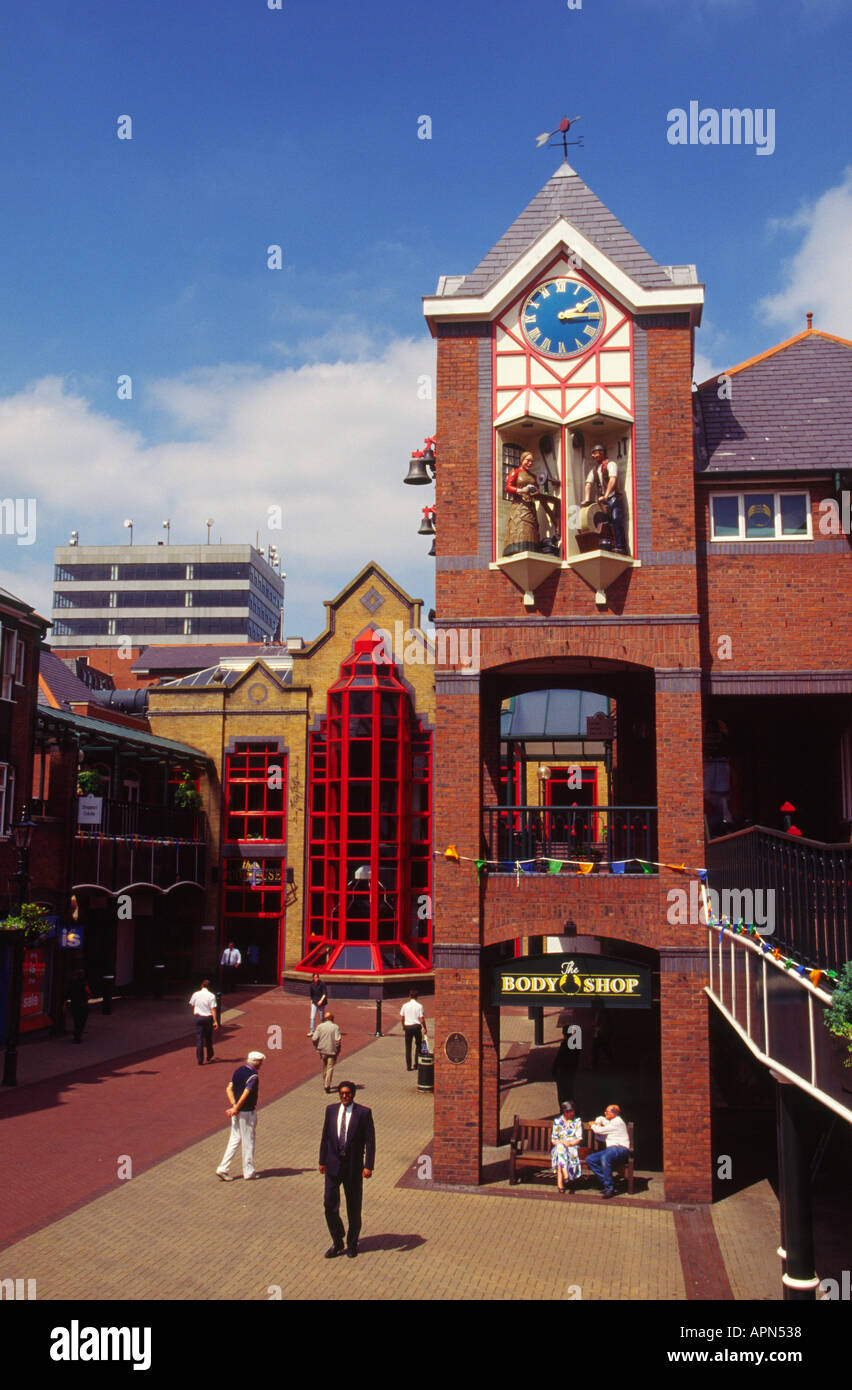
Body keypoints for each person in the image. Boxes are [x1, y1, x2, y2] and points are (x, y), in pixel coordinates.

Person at [319, 1081, 375, 1259]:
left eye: (348, 1094)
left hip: (353, 1168)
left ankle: (352, 1244)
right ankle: (337, 1240)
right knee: (329, 1204)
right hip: (333, 1166)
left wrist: (368, 1165)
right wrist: (322, 1160)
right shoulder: (331, 1110)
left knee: (353, 1207)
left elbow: (370, 1141)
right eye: (342, 1093)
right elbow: (325, 1137)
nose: (344, 1096)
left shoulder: (363, 1113)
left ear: (353, 1095)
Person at [216, 1051, 265, 1181]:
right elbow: (246, 1093)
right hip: (247, 1112)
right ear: (256, 1062)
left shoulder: (238, 1070)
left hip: (237, 1112)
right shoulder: (253, 1076)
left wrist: (233, 1105)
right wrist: (237, 1107)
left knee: (234, 1140)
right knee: (248, 1141)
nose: (261, 1065)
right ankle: (249, 1172)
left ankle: (223, 1168)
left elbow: (229, 1088)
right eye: (261, 1063)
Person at [583, 444, 628, 555]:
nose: (593, 455)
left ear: (602, 452)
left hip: (613, 498)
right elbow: (588, 484)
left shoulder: (610, 464)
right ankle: (608, 544)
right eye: (593, 453)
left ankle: (621, 546)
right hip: (603, 502)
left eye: (595, 453)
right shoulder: (594, 469)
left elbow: (613, 479)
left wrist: (606, 495)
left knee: (616, 519)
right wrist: (587, 499)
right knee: (603, 523)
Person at [585, 1103, 631, 1199]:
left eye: (607, 1111)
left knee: (604, 1158)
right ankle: (609, 1182)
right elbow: (600, 1118)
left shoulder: (617, 1122)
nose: (605, 1113)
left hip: (620, 1149)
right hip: (611, 1149)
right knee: (590, 1159)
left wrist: (593, 1125)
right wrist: (597, 1121)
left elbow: (599, 1131)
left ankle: (609, 1188)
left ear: (614, 1113)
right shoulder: (611, 1121)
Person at [503, 451, 541, 555]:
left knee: (530, 526)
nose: (530, 463)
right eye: (528, 460)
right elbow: (508, 487)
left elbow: (538, 488)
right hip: (519, 504)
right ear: (522, 460)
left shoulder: (533, 476)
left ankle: (532, 546)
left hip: (530, 505)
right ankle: (516, 546)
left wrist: (536, 491)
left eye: (532, 461)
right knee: (519, 525)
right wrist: (521, 490)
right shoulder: (515, 472)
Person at [551, 1100, 583, 1194]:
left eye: (572, 1111)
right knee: (560, 1148)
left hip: (572, 1147)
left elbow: (579, 1138)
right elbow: (553, 1140)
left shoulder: (577, 1121)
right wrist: (563, 1142)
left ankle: (561, 1182)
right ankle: (566, 1175)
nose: (571, 1113)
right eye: (568, 1112)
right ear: (564, 1112)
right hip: (560, 1146)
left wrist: (570, 1144)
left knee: (560, 1154)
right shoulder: (557, 1122)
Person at [189, 977, 219, 1066]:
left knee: (199, 1039)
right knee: (208, 1038)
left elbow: (191, 1004)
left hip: (199, 1017)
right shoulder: (211, 995)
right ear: (209, 987)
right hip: (208, 1018)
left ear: (202, 985)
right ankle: (209, 1056)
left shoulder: (195, 994)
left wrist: (195, 1011)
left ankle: (200, 1059)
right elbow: (213, 1009)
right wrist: (215, 1021)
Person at [312, 1010, 342, 1092]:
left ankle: (325, 1081)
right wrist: (338, 1049)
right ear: (332, 1018)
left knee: (324, 1066)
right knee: (330, 1068)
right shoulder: (335, 1027)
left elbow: (314, 1038)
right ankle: (327, 1085)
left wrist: (316, 1046)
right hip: (332, 1050)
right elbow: (337, 1040)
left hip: (322, 1050)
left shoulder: (319, 1026)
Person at [399, 990, 428, 1071]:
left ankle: (408, 1066)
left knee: (408, 1047)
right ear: (417, 997)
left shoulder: (405, 1006)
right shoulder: (419, 1006)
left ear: (409, 996)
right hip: (416, 1027)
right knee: (418, 1046)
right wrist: (425, 1028)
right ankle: (416, 1064)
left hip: (408, 1027)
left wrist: (403, 1026)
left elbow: (402, 1018)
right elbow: (422, 1019)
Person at [66, 969, 90, 1044]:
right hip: (83, 1004)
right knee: (82, 1020)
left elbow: (68, 993)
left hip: (75, 1004)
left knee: (76, 1020)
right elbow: (88, 993)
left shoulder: (72, 983)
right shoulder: (84, 983)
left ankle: (77, 1036)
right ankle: (78, 1035)